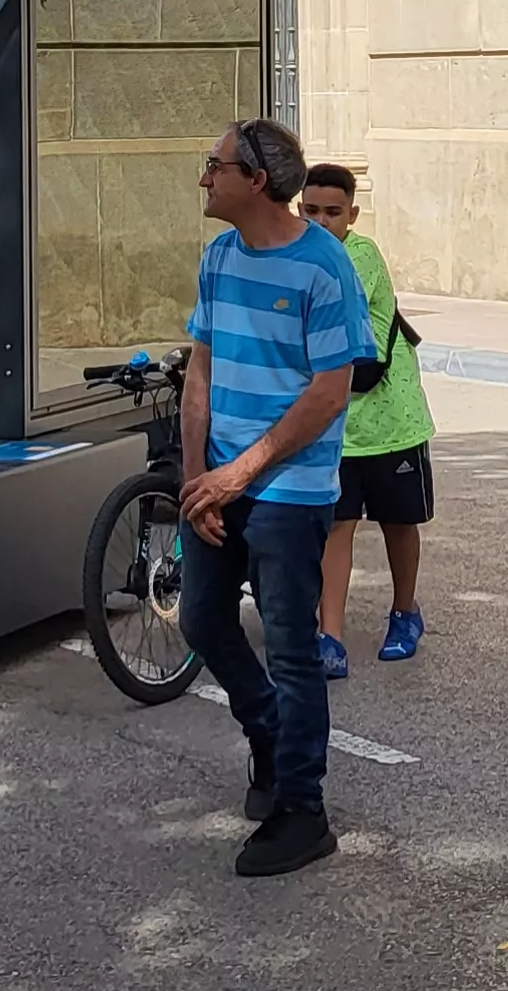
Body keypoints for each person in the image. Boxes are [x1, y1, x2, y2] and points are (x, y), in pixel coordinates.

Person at [177, 117, 372, 877]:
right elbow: (201, 368)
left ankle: (303, 810)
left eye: (213, 165)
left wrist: (243, 472)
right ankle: (268, 732)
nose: (204, 178)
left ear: (254, 181)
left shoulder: (324, 269)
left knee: (292, 649)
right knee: (201, 620)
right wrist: (199, 479)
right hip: (219, 479)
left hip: (290, 488)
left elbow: (329, 392)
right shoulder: (220, 257)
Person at [298, 163, 433, 676]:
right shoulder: (305, 254)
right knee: (338, 526)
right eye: (310, 211)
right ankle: (329, 635)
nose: (321, 221)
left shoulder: (359, 256)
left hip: (389, 418)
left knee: (399, 523)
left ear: (352, 214)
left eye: (333, 212)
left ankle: (405, 611)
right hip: (336, 428)